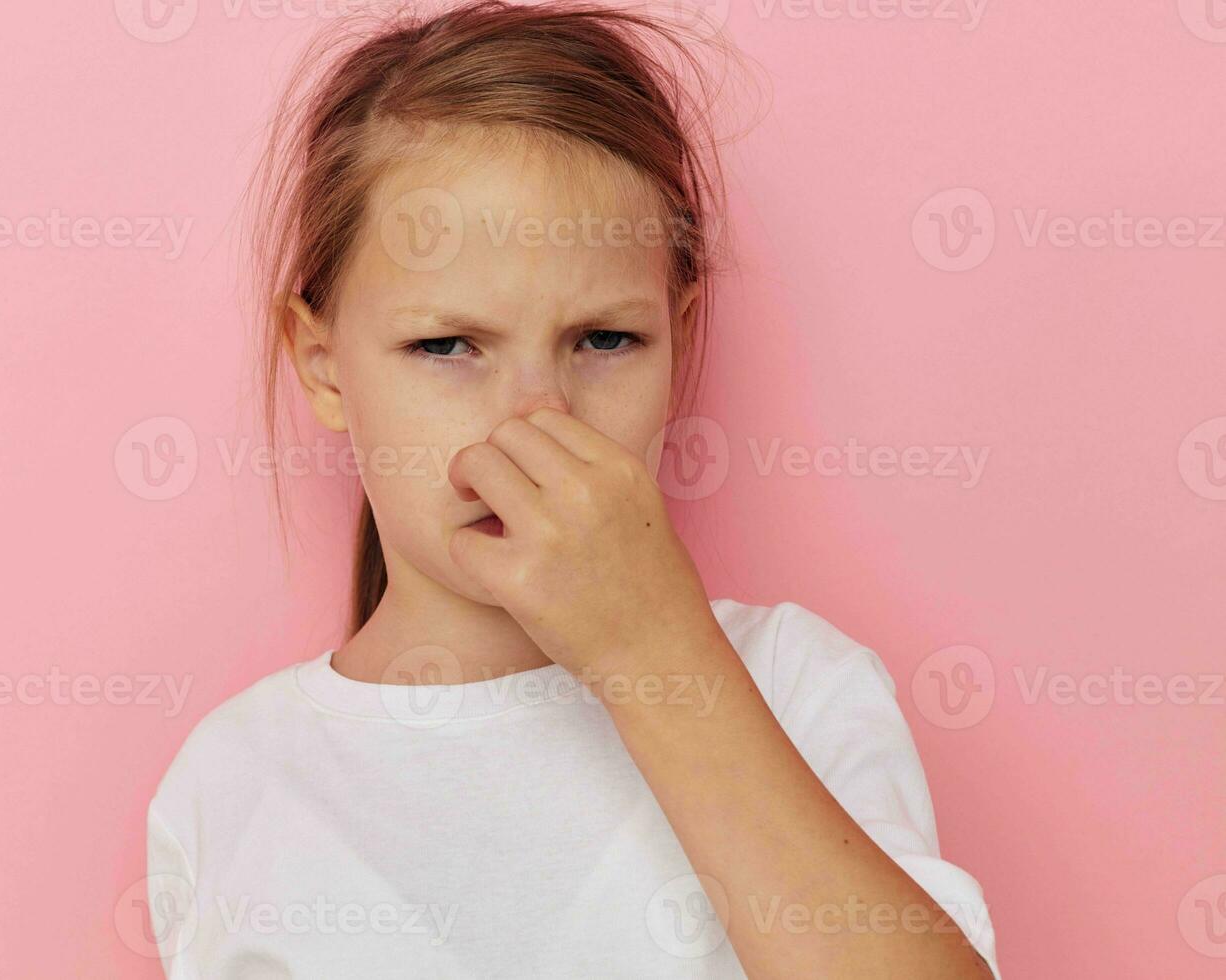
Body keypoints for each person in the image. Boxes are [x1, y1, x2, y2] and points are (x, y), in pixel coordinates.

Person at [147, 1, 1000, 975]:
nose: (535, 420)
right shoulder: (234, 784)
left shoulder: (797, 686)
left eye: (605, 340)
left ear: (676, 343)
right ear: (325, 365)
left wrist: (651, 650)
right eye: (446, 345)